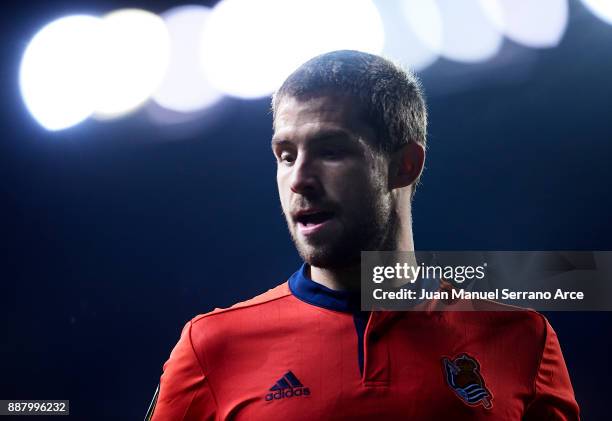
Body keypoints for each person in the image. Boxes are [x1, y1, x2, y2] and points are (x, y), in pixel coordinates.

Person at [146, 50, 579, 420]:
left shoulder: (523, 340)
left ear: (404, 165)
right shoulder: (212, 347)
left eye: (331, 151)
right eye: (285, 155)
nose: (299, 180)